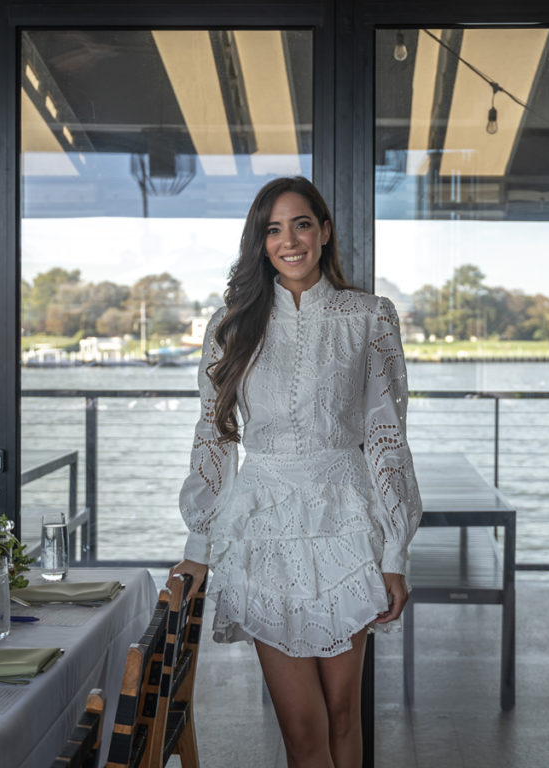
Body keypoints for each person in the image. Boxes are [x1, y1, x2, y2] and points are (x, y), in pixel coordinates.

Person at [168, 176, 422, 768]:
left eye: (301, 224)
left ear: (324, 231)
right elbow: (215, 437)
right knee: (303, 730)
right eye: (273, 229)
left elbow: (388, 440)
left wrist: (395, 556)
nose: (289, 240)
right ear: (260, 243)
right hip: (263, 531)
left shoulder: (371, 317)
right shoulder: (229, 326)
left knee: (342, 716)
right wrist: (198, 545)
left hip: (347, 524)